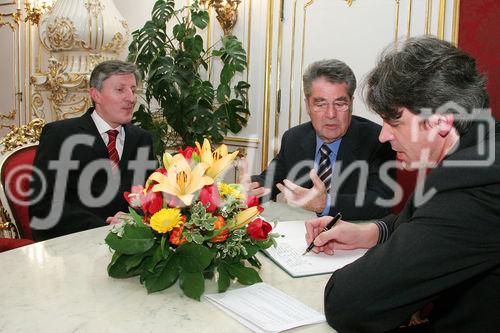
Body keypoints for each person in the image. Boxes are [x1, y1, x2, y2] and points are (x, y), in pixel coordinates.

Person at [306, 36, 500, 332]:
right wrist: (368, 233)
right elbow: (424, 218)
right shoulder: (481, 147)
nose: (383, 136)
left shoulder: (475, 185)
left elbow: (350, 303)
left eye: (394, 123)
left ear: (441, 122)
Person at [241, 59, 395, 220]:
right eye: (320, 104)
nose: (331, 114)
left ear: (351, 104)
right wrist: (248, 188)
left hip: (353, 237)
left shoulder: (377, 141)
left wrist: (326, 203)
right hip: (300, 234)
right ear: (307, 106)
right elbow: (269, 180)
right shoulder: (294, 138)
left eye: (340, 104)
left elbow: (381, 202)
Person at [29, 60, 157, 241]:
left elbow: (150, 195)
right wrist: (104, 226)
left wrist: (135, 218)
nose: (131, 98)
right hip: (76, 247)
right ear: (96, 94)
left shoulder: (142, 139)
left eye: (133, 90)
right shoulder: (60, 135)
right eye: (120, 90)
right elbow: (44, 206)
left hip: (135, 245)